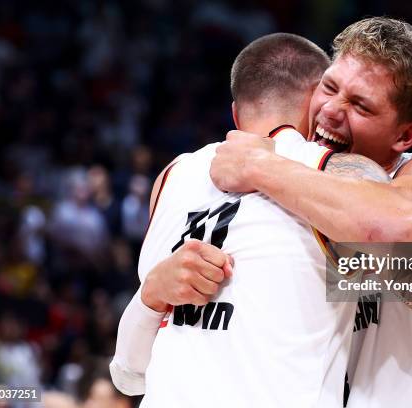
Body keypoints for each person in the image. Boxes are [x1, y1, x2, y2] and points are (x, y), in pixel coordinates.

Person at [209, 17, 412, 407]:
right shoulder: (287, 177)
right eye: (330, 87)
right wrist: (157, 288)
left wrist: (260, 166)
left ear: (405, 135)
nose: (331, 110)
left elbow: (397, 227)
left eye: (360, 105)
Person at [110, 33, 389, 407]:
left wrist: (149, 297)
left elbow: (129, 376)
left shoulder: (173, 177)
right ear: (316, 100)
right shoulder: (342, 174)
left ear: (236, 113)